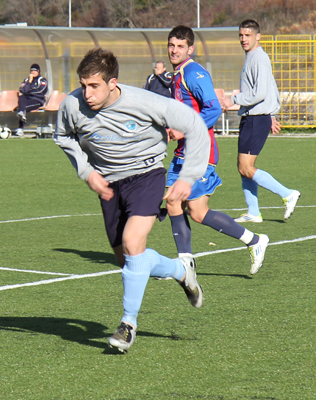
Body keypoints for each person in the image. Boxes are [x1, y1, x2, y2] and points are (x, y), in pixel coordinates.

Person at [54, 47, 208, 353]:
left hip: (145, 176)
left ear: (113, 83)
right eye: (84, 85)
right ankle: (181, 271)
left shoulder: (144, 101)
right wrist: (86, 172)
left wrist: (187, 178)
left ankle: (128, 324)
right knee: (127, 260)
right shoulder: (71, 105)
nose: (87, 93)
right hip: (109, 185)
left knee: (133, 241)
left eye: (94, 86)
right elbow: (63, 137)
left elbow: (194, 124)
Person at [166, 25, 269, 275]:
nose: (174, 50)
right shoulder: (177, 74)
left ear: (190, 49)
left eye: (180, 46)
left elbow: (212, 109)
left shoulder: (194, 73)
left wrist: (184, 130)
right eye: (171, 45)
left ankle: (253, 242)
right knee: (180, 206)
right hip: (183, 152)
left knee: (187, 207)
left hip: (200, 154)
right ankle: (189, 261)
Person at [220, 19, 300, 223]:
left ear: (258, 36)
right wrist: (271, 114)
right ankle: (254, 212)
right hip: (254, 118)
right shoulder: (252, 57)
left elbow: (259, 93)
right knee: (242, 167)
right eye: (241, 35)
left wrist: (233, 100)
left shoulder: (259, 58)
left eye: (247, 35)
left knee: (246, 167)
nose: (243, 39)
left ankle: (287, 193)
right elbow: (270, 88)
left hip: (256, 119)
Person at [14, 63, 48, 137]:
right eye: (31, 71)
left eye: (34, 71)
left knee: (21, 108)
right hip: (27, 99)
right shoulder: (27, 80)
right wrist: (30, 81)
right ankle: (21, 116)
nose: (32, 72)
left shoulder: (42, 80)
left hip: (37, 100)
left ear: (38, 71)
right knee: (21, 97)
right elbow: (22, 90)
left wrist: (29, 91)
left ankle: (20, 128)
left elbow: (40, 91)